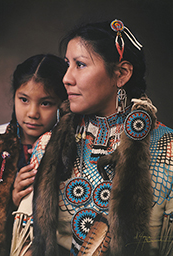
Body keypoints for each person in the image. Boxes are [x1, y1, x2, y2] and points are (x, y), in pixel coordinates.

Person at [13, 20, 173, 256]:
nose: (66, 78)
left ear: (121, 74)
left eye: (80, 64)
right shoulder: (48, 146)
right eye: (68, 65)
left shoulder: (167, 149)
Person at [0, 53, 68, 256]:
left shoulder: (70, 149)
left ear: (63, 104)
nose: (32, 112)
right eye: (24, 99)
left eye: (46, 103)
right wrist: (7, 199)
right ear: (14, 96)